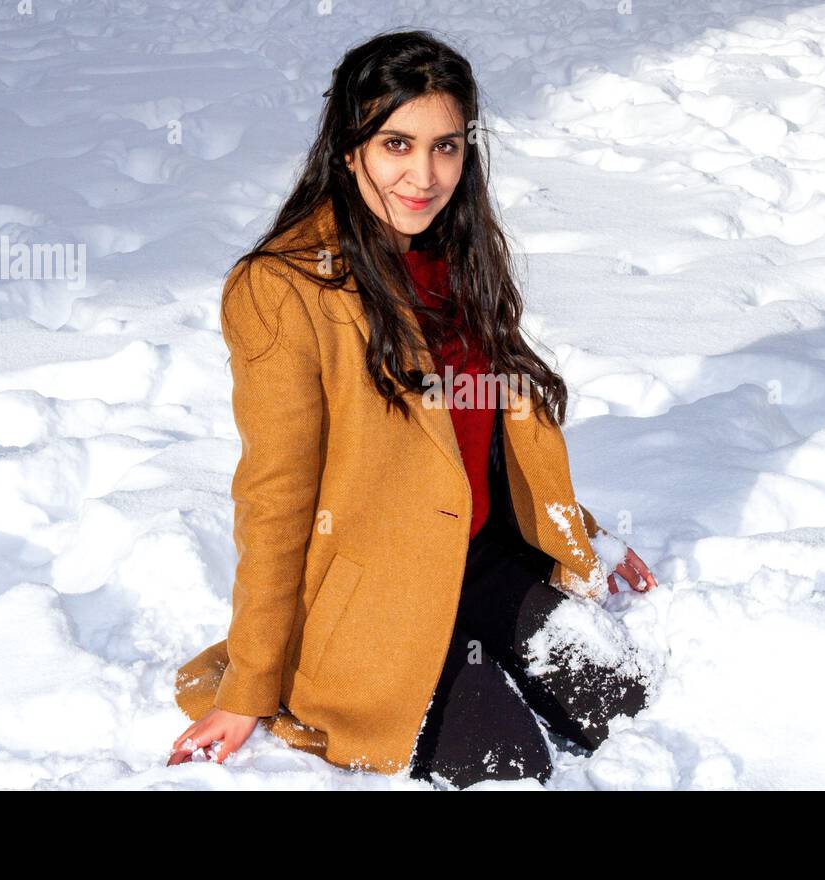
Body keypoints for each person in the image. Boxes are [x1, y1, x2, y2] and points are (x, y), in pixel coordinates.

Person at [167, 29, 659, 786]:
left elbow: (487, 428)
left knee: (626, 707)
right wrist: (250, 687)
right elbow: (276, 497)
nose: (424, 176)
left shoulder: (460, 250)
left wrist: (577, 528)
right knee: (512, 768)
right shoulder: (283, 289)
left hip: (481, 556)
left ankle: (479, 641)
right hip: (376, 594)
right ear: (349, 148)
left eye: (446, 146)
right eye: (397, 144)